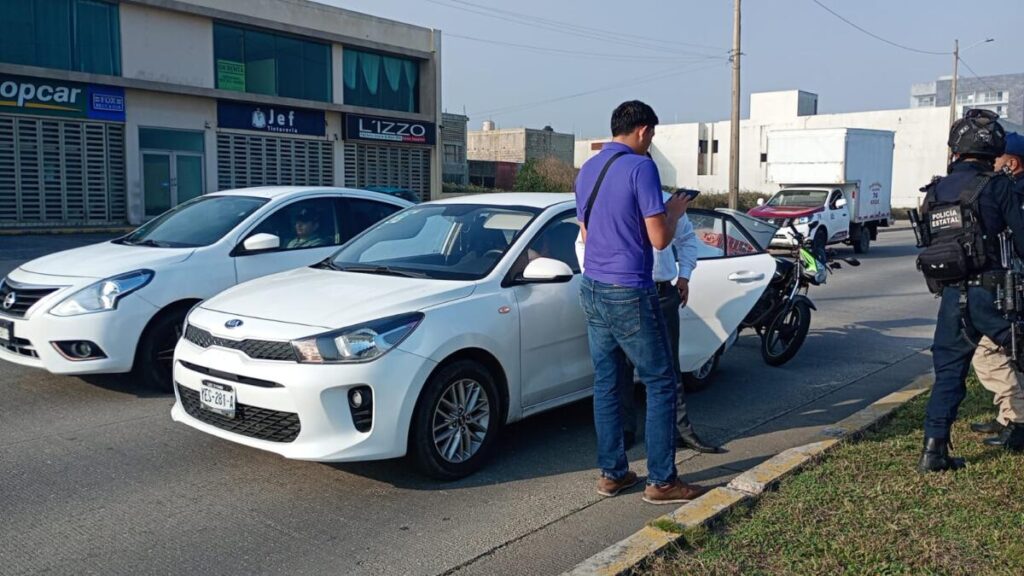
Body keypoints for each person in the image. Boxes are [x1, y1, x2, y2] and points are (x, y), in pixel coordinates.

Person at [575, 100, 708, 504]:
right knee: (662, 382)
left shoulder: (589, 168)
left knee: (608, 382)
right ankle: (663, 481)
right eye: (652, 135)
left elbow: (585, 230)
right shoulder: (641, 167)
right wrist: (673, 209)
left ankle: (613, 473)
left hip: (593, 286)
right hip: (629, 289)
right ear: (644, 131)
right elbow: (660, 239)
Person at [576, 189, 723, 453]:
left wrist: (685, 276)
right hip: (622, 291)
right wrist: (599, 278)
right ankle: (624, 432)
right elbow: (583, 241)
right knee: (619, 367)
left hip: (660, 293)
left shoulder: (668, 201)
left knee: (667, 367)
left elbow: (687, 240)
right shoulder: (609, 197)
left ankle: (679, 431)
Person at [917, 109, 1024, 472]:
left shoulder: (934, 191)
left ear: (956, 149)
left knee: (948, 372)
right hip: (993, 293)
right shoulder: (996, 185)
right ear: (992, 148)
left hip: (951, 298)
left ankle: (934, 451)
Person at [969, 131, 1024, 449]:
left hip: (1011, 285)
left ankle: (1017, 420)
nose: (992, 163)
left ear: (1012, 163)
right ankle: (1008, 416)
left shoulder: (1012, 194)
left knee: (989, 353)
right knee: (1011, 352)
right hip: (1009, 283)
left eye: (997, 158)